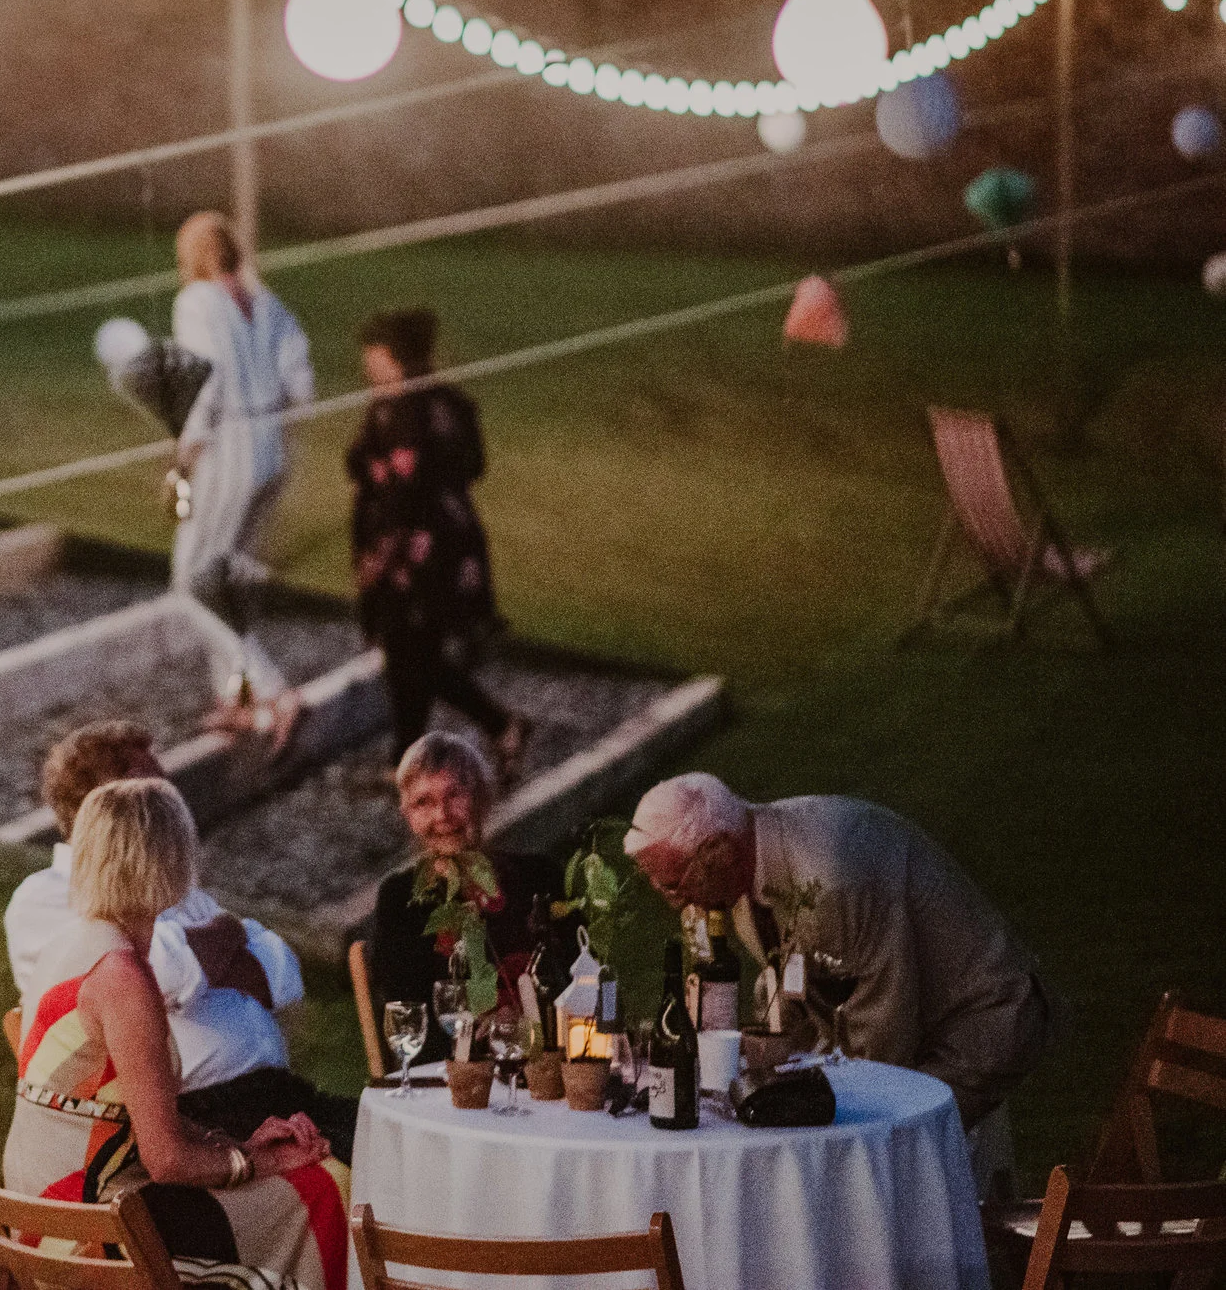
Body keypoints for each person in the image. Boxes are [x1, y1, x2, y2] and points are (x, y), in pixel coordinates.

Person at [624, 773, 1057, 1187]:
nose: (672, 900)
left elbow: (884, 1036)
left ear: (718, 850)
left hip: (975, 1022)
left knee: (882, 1159)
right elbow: (798, 984)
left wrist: (819, 1104)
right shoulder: (748, 865)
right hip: (907, 1019)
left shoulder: (831, 879)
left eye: (674, 885)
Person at [7, 778, 342, 1289]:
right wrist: (253, 1160)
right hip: (94, 1232)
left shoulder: (72, 947)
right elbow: (165, 1160)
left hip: (41, 1207)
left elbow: (128, 1120)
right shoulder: (122, 978)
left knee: (304, 1186)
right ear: (171, 863)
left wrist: (236, 1143)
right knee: (322, 1192)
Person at [6, 722, 359, 1161]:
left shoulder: (165, 887)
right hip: (198, 1107)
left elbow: (280, 969)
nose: (171, 805)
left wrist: (213, 947)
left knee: (387, 1130)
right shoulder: (47, 897)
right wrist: (227, 940)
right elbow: (156, 973)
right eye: (149, 793)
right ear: (98, 809)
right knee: (360, 1164)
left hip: (269, 1092)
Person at [345, 307, 526, 780]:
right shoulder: (414, 405)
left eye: (376, 358)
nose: (368, 368)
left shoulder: (416, 410)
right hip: (425, 544)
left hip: (425, 550)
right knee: (409, 653)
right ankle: (418, 753)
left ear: (399, 359)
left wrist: (384, 552)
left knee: (413, 653)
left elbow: (409, 481)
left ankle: (491, 726)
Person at [169, 212, 315, 744]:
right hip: (271, 446)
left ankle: (274, 692)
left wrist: (185, 458)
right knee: (230, 578)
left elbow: (201, 385)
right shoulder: (267, 301)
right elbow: (301, 378)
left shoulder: (196, 302)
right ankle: (236, 697)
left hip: (228, 449)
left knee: (190, 585)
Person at [358, 731, 562, 1059]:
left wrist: (524, 1021)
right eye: (423, 802)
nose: (442, 816)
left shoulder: (540, 877)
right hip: (457, 1079)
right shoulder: (400, 900)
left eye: (455, 795)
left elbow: (582, 989)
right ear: (408, 815)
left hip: (549, 1066)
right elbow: (409, 1019)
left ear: (482, 798)